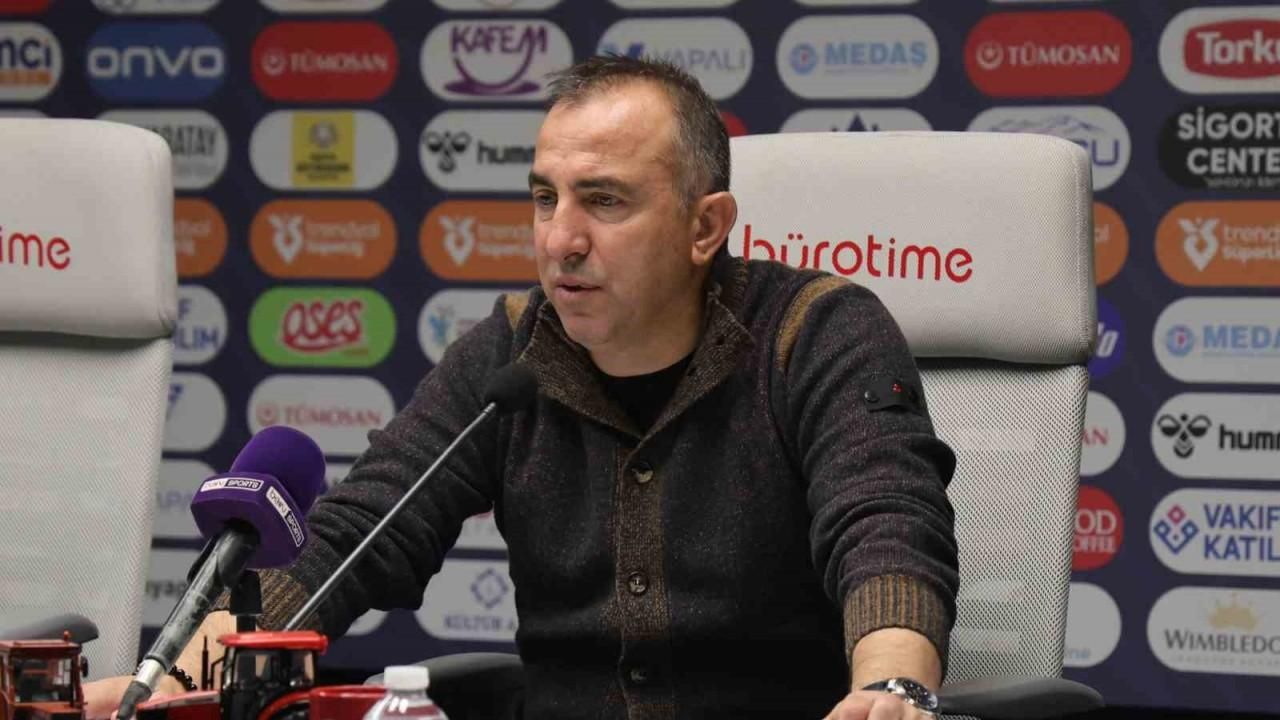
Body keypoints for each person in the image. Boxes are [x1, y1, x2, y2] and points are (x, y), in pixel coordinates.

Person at [86, 55, 959, 719]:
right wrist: (175, 682)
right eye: (546, 198)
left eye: (604, 202)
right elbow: (359, 535)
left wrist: (891, 685)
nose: (560, 240)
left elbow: (885, 529)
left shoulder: (817, 333)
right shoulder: (511, 351)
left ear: (705, 227)